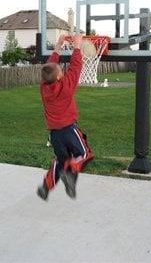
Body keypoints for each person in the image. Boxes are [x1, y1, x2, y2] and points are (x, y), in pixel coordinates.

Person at [37, 34, 94, 201]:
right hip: (69, 130)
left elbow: (49, 67)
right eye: (61, 70)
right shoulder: (67, 87)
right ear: (59, 77)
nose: (62, 69)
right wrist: (77, 46)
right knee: (84, 154)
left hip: (54, 135)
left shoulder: (43, 88)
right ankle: (71, 170)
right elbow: (76, 67)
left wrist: (57, 47)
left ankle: (46, 186)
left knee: (60, 161)